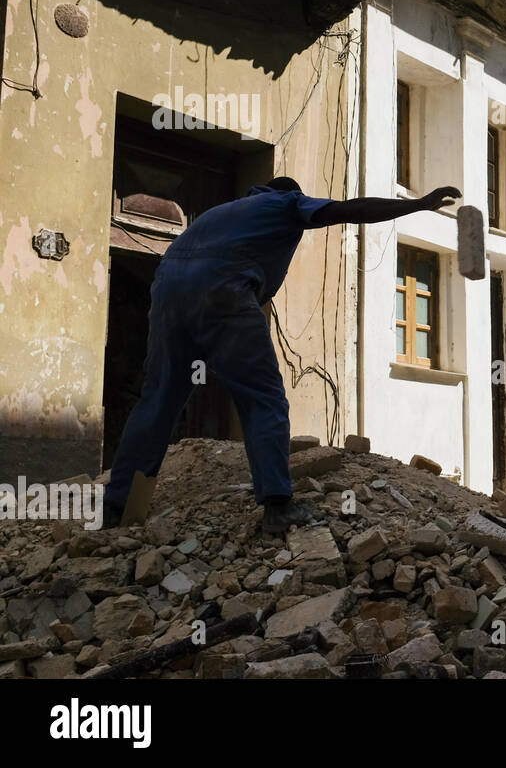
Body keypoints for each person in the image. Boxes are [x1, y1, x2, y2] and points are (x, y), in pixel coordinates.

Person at [104, 176, 461, 534]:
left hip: (168, 293)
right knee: (263, 399)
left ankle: (117, 507)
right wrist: (417, 204)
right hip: (224, 290)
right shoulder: (286, 204)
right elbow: (350, 210)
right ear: (292, 193)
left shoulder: (221, 213)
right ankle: (277, 505)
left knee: (157, 401)